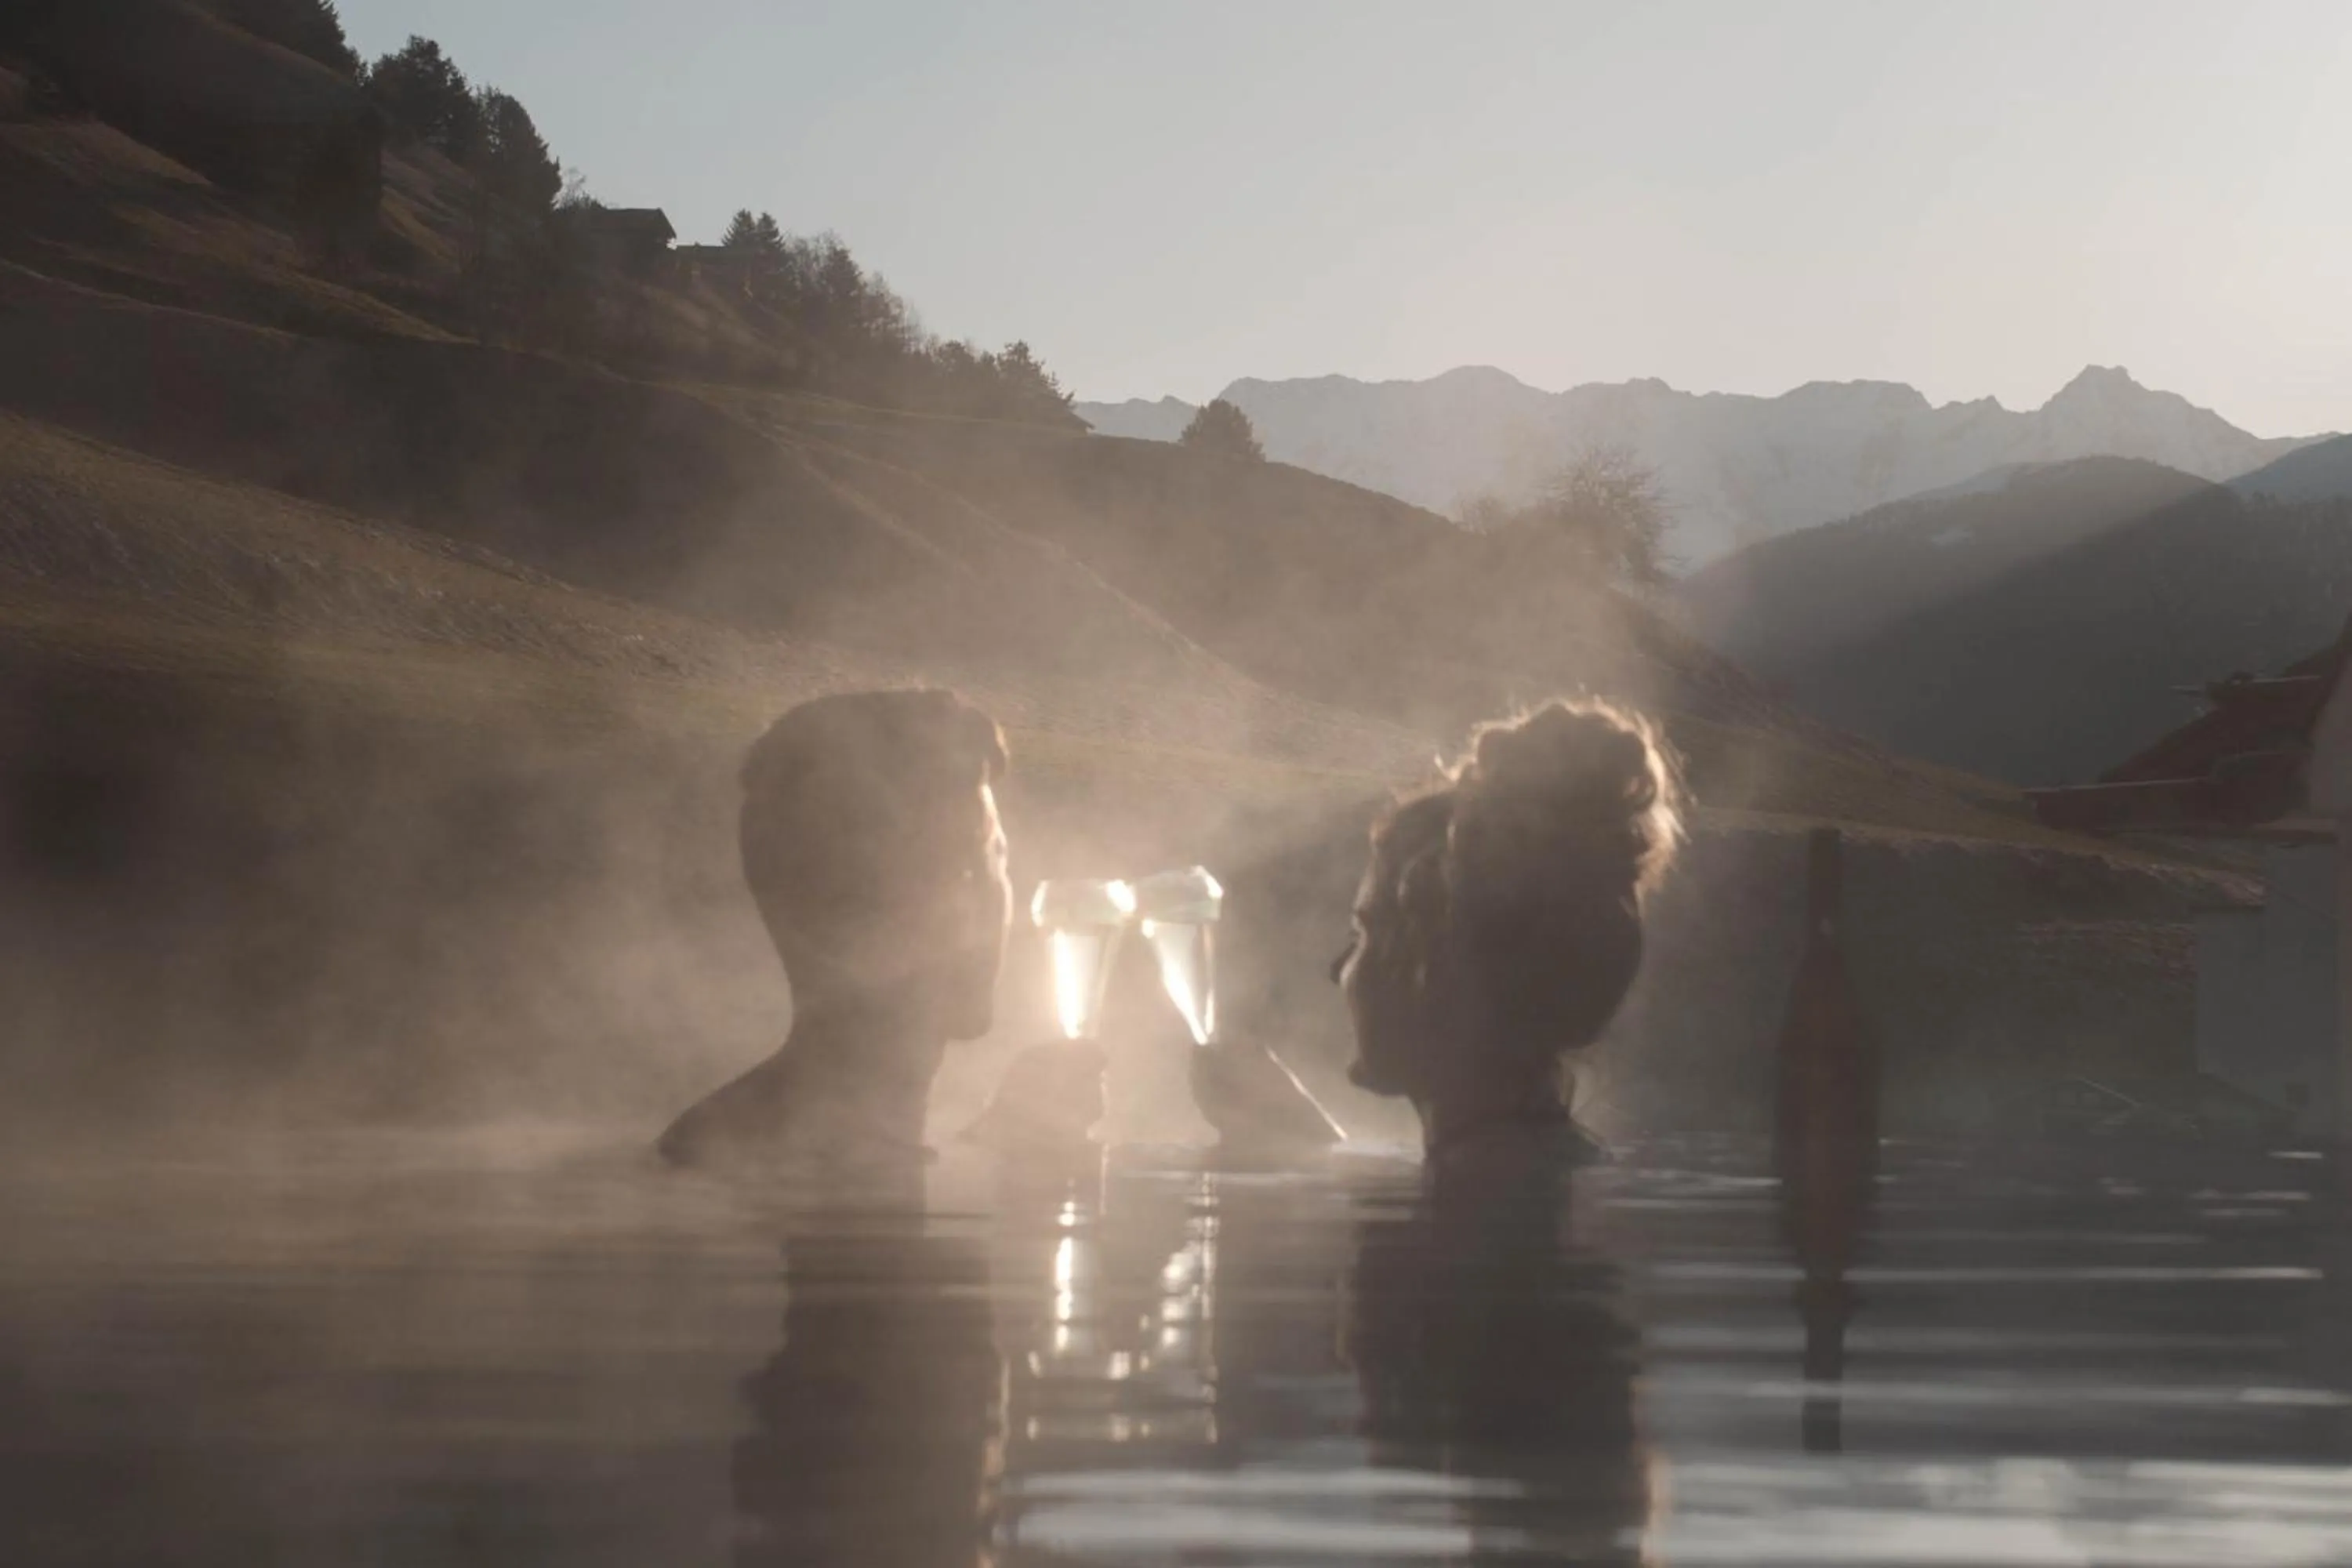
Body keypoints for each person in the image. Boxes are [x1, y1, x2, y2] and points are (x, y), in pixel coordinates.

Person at [658, 688, 1013, 1170]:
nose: (999, 898)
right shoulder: (837, 1160)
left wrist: (1011, 1133)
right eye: (978, 860)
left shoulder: (717, 1145)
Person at [1332, 698, 1681, 1172]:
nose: (1339, 970)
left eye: (1365, 932)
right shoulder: (1531, 1165)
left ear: (1431, 968)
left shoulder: (1483, 1198)